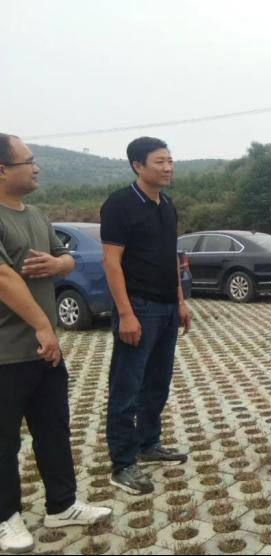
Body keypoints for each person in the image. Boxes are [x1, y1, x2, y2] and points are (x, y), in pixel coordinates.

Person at [0, 134, 111, 554]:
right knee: (4, 441)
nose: (36, 167)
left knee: (53, 429)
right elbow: (3, 278)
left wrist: (56, 262)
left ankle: (61, 505)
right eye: (28, 160)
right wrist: (43, 327)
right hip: (7, 352)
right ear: (2, 170)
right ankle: (5, 518)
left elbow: (65, 258)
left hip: (44, 351)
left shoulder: (36, 215)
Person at [101, 137, 192, 496]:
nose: (168, 168)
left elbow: (171, 257)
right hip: (138, 307)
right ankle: (122, 463)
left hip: (167, 308)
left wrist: (180, 302)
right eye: (160, 162)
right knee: (127, 387)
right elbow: (111, 262)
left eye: (170, 160)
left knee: (157, 382)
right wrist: (125, 313)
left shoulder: (167, 205)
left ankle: (148, 442)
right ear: (138, 166)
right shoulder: (120, 204)